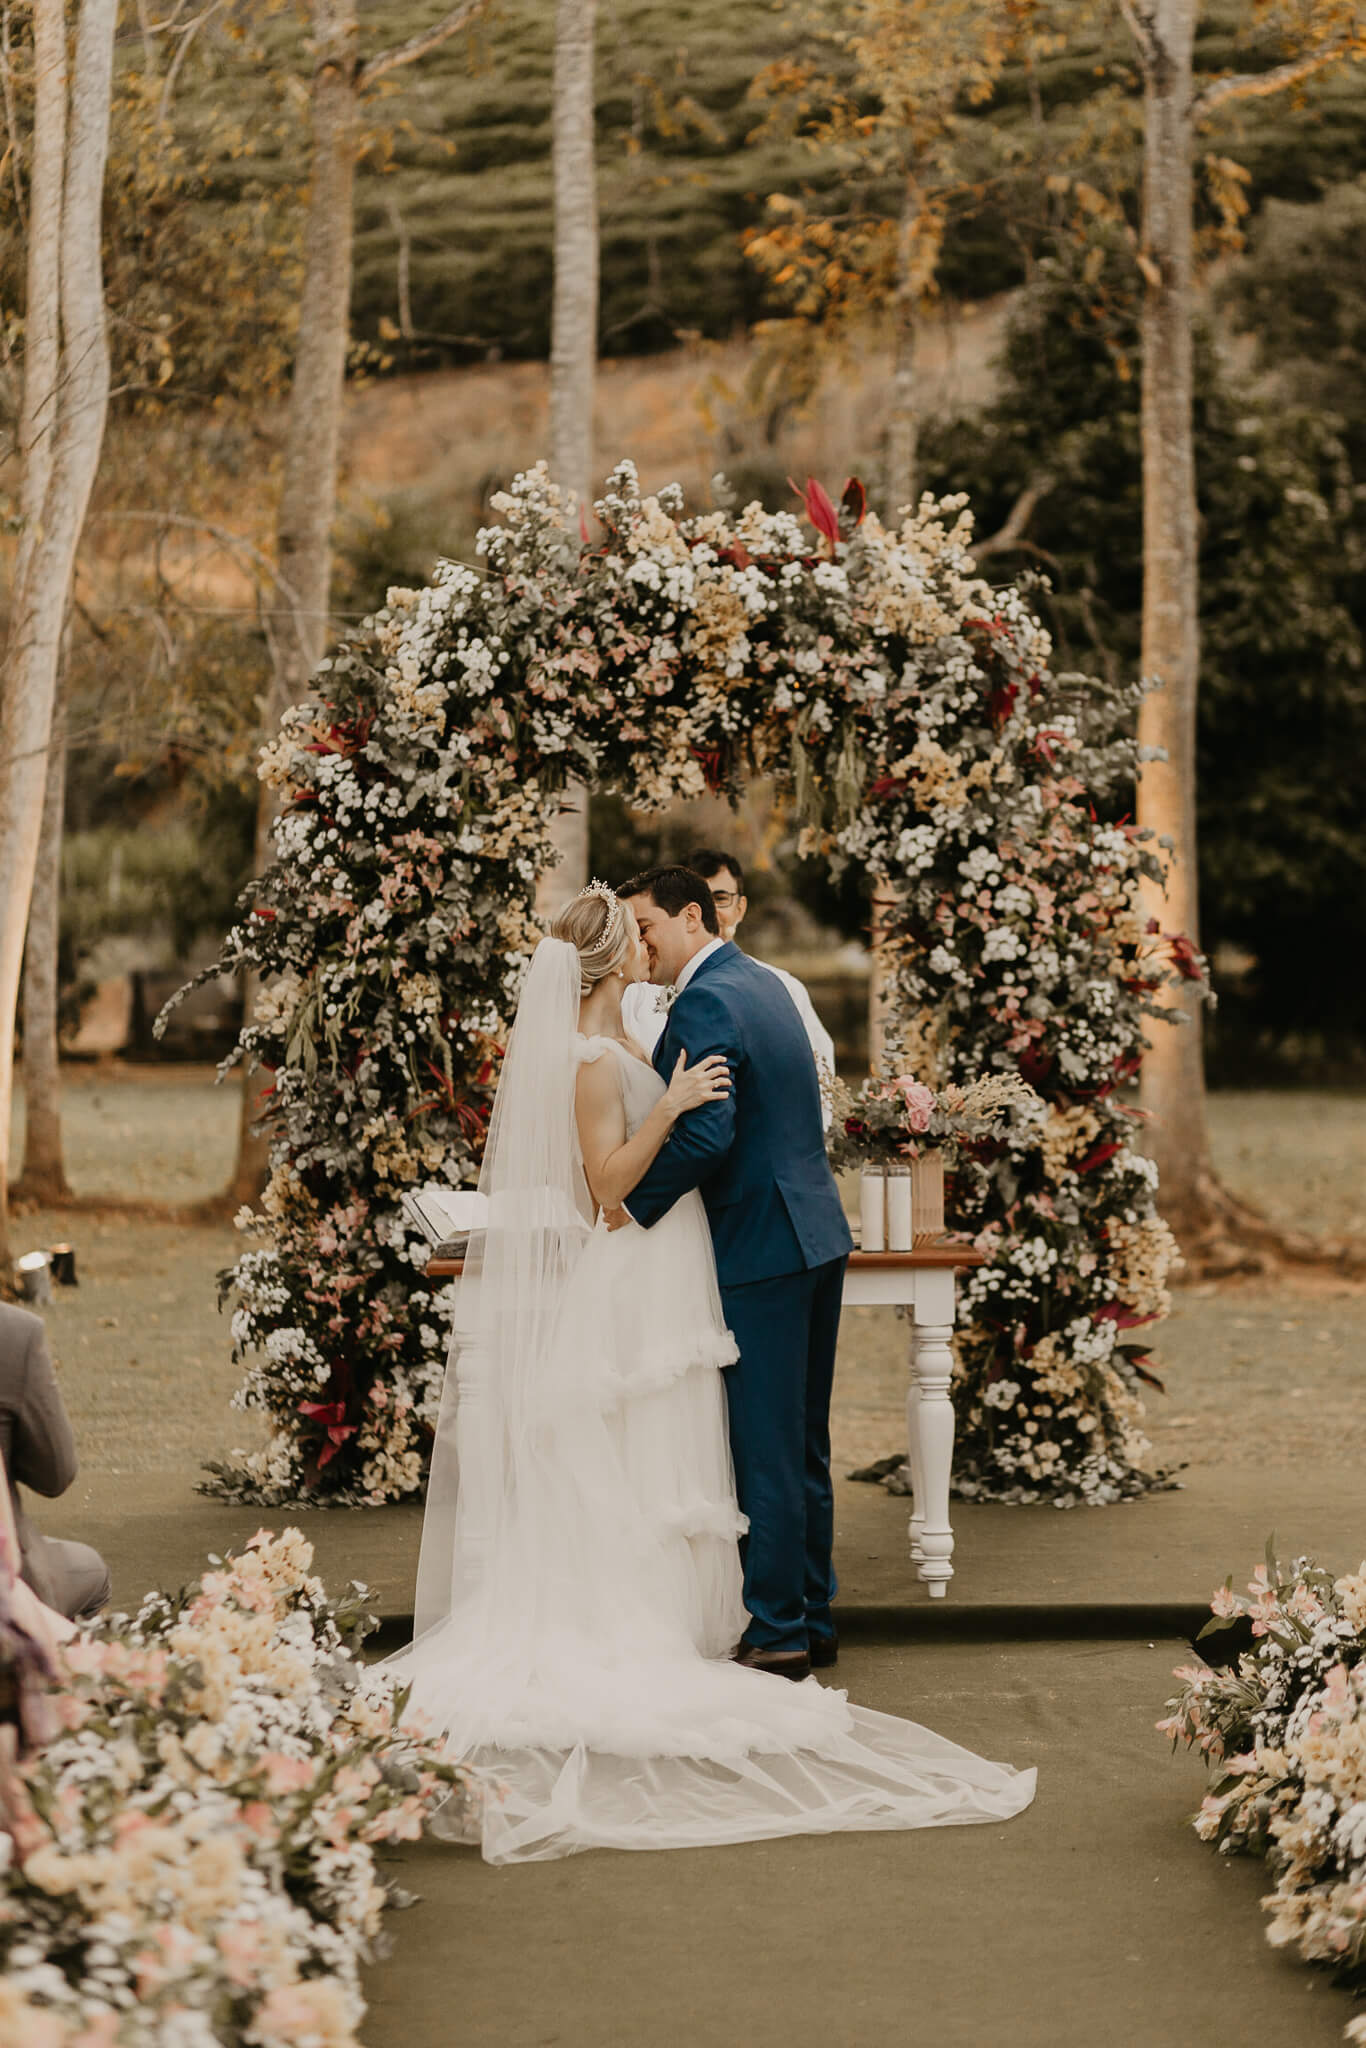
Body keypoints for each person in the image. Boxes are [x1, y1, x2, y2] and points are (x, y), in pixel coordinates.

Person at [388, 880, 1034, 1862]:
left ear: (689, 918)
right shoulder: (744, 987)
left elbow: (701, 1136)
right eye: (631, 931)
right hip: (773, 1238)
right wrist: (640, 1180)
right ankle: (796, 1618)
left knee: (763, 1439)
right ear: (611, 958)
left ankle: (780, 1631)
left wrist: (643, 1180)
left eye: (651, 923)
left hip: (742, 1245)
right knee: (767, 1440)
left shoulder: (695, 1005)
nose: (644, 941)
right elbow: (615, 1172)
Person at [622, 850, 837, 1115]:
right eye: (703, 897)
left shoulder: (783, 986)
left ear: (740, 909)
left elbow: (818, 1087)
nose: (709, 910)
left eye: (720, 898)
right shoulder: (636, 992)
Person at [0, 1302, 111, 1621]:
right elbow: (56, 1476)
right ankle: (61, 1666)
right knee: (92, 1571)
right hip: (9, 1584)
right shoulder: (16, 1333)